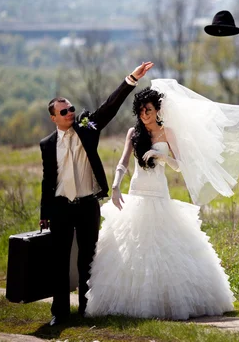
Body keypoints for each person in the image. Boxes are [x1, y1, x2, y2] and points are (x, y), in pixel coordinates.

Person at [85, 78, 239, 320]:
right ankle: (129, 302)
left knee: (165, 243)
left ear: (157, 110)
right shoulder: (134, 132)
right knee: (131, 245)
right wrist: (117, 186)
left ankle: (169, 299)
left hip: (159, 192)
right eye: (140, 111)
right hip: (137, 191)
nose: (144, 115)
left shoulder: (167, 132)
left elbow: (180, 166)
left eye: (148, 110)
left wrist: (161, 157)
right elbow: (122, 163)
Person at [39, 62, 154, 326]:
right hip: (60, 208)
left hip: (88, 205)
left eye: (71, 109)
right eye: (64, 111)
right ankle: (60, 313)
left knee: (87, 260)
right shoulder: (47, 145)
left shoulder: (87, 128)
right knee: (60, 261)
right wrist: (44, 214)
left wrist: (131, 79)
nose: (70, 113)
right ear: (53, 117)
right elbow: (47, 181)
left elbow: (109, 107)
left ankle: (86, 309)